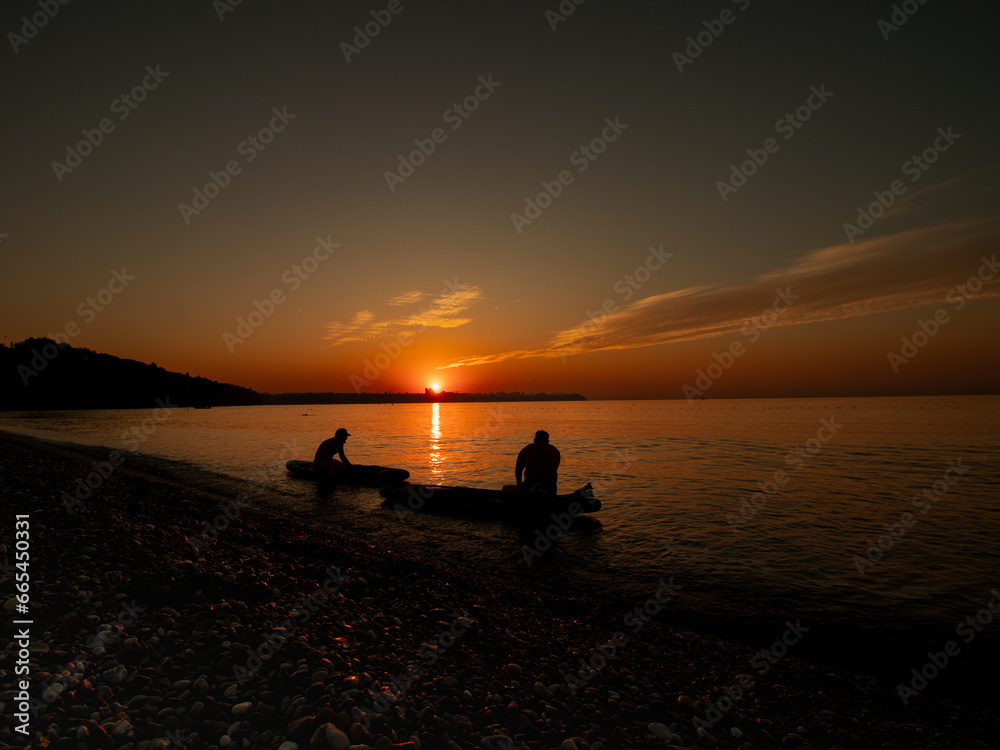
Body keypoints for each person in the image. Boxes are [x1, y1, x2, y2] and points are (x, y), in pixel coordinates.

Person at [515, 430, 561, 495]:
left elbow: (518, 470)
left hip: (531, 482)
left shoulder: (526, 449)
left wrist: (519, 484)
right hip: (550, 484)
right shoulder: (555, 451)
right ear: (547, 441)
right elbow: (555, 467)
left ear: (534, 440)